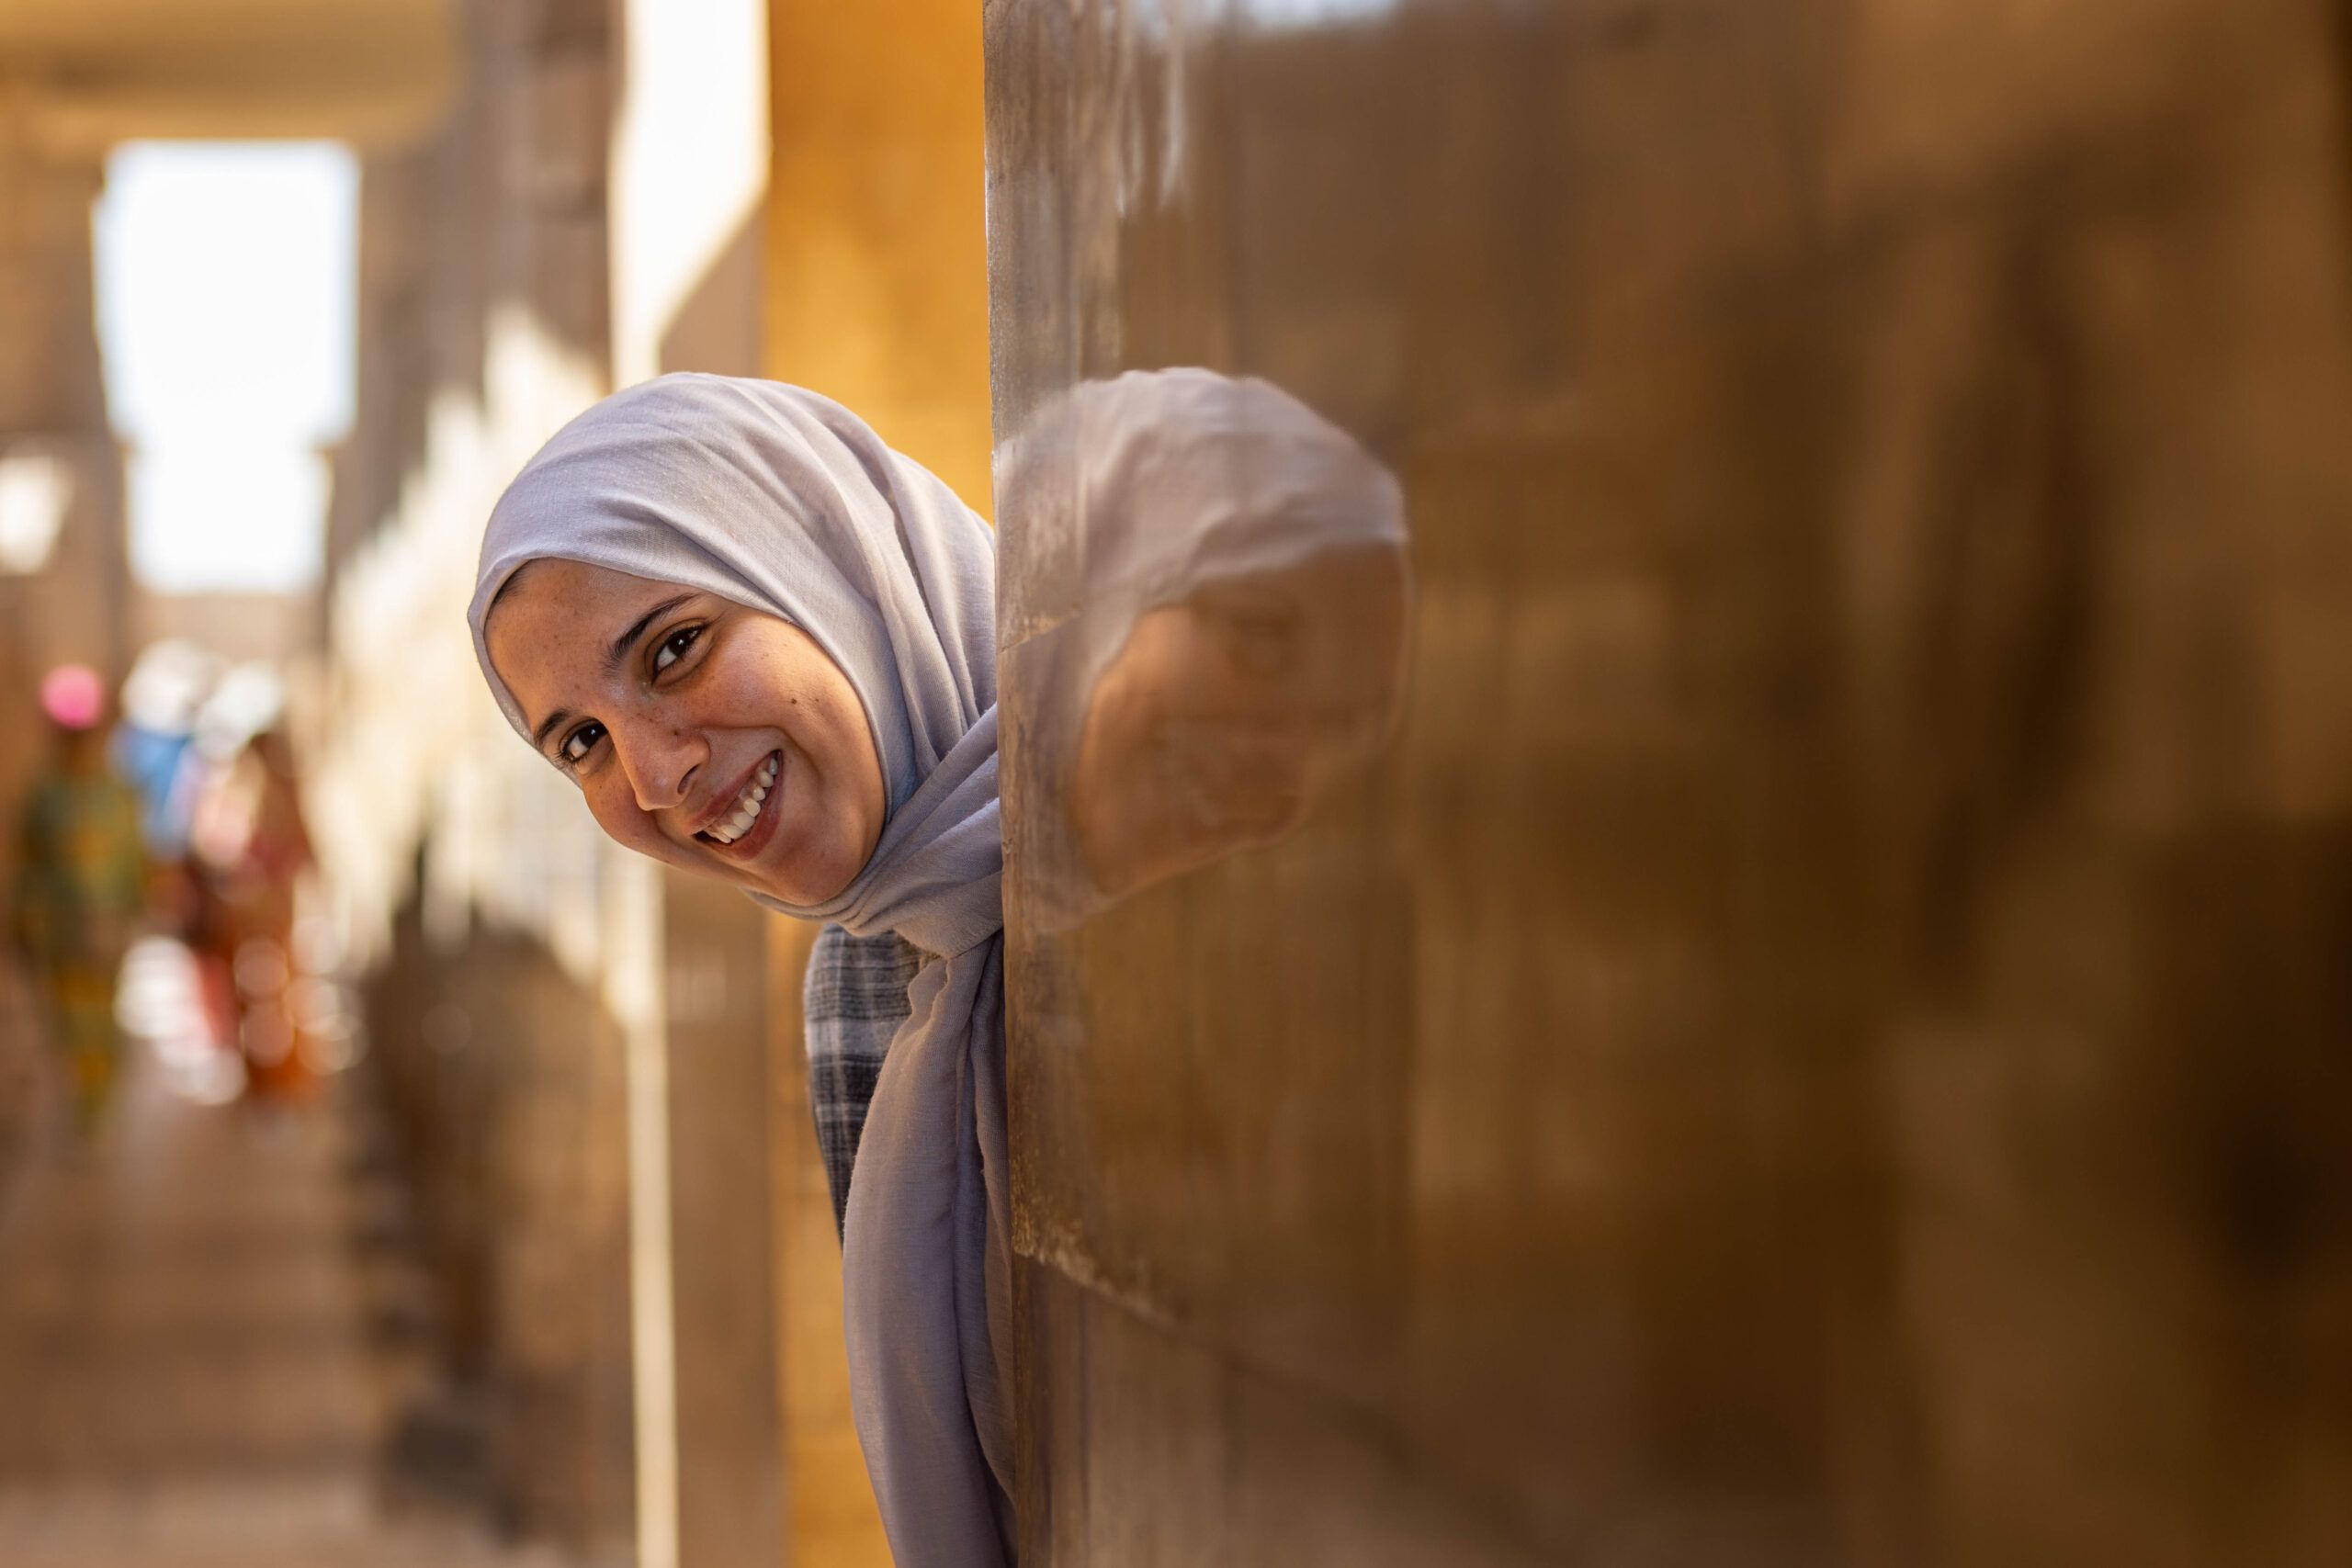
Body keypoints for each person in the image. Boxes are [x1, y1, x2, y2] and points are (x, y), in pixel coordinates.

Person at [469, 370, 1407, 1566]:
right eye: (582, 742)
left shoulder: (1197, 798)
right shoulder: (868, 978)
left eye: (676, 648)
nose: (655, 776)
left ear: (829, 564)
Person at [9, 665, 149, 1134]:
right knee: (69, 1021)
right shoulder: (46, 793)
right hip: (59, 931)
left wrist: (137, 908)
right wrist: (23, 922)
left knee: (100, 1020)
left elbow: (135, 860)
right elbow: (29, 862)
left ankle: (95, 1109)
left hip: (106, 927)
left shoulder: (116, 792)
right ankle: (84, 1108)